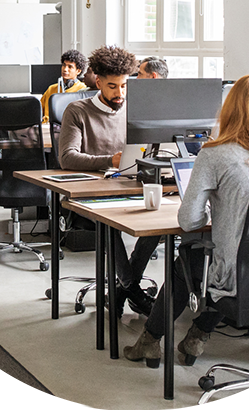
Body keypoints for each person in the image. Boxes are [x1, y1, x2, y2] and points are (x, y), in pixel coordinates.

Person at [123, 73, 249, 368]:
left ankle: (150, 341)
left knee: (189, 260)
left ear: (228, 108)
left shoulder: (215, 153)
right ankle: (196, 338)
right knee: (226, 259)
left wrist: (216, 214)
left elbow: (189, 221)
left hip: (237, 274)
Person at [58, 44, 160, 317]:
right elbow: (67, 158)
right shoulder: (77, 111)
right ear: (99, 82)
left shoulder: (134, 109)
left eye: (125, 87)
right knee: (108, 225)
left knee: (160, 221)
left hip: (129, 186)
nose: (120, 94)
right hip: (88, 194)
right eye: (113, 87)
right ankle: (134, 292)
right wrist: (109, 161)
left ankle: (121, 290)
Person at [40, 50, 88, 123]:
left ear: (78, 71)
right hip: (47, 127)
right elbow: (38, 110)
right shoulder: (52, 89)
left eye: (70, 67)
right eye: (64, 65)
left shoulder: (82, 90)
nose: (65, 69)